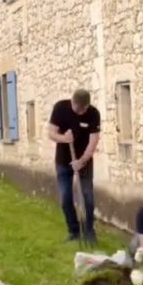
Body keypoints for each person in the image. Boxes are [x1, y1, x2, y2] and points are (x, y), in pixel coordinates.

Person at [48, 89, 100, 243]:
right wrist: (64, 138)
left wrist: (81, 161)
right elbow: (51, 133)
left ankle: (89, 231)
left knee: (88, 196)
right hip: (63, 162)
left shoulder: (93, 114)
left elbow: (93, 141)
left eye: (84, 109)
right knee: (65, 198)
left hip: (84, 162)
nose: (81, 112)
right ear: (73, 102)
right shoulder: (60, 108)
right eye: (79, 108)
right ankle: (74, 231)